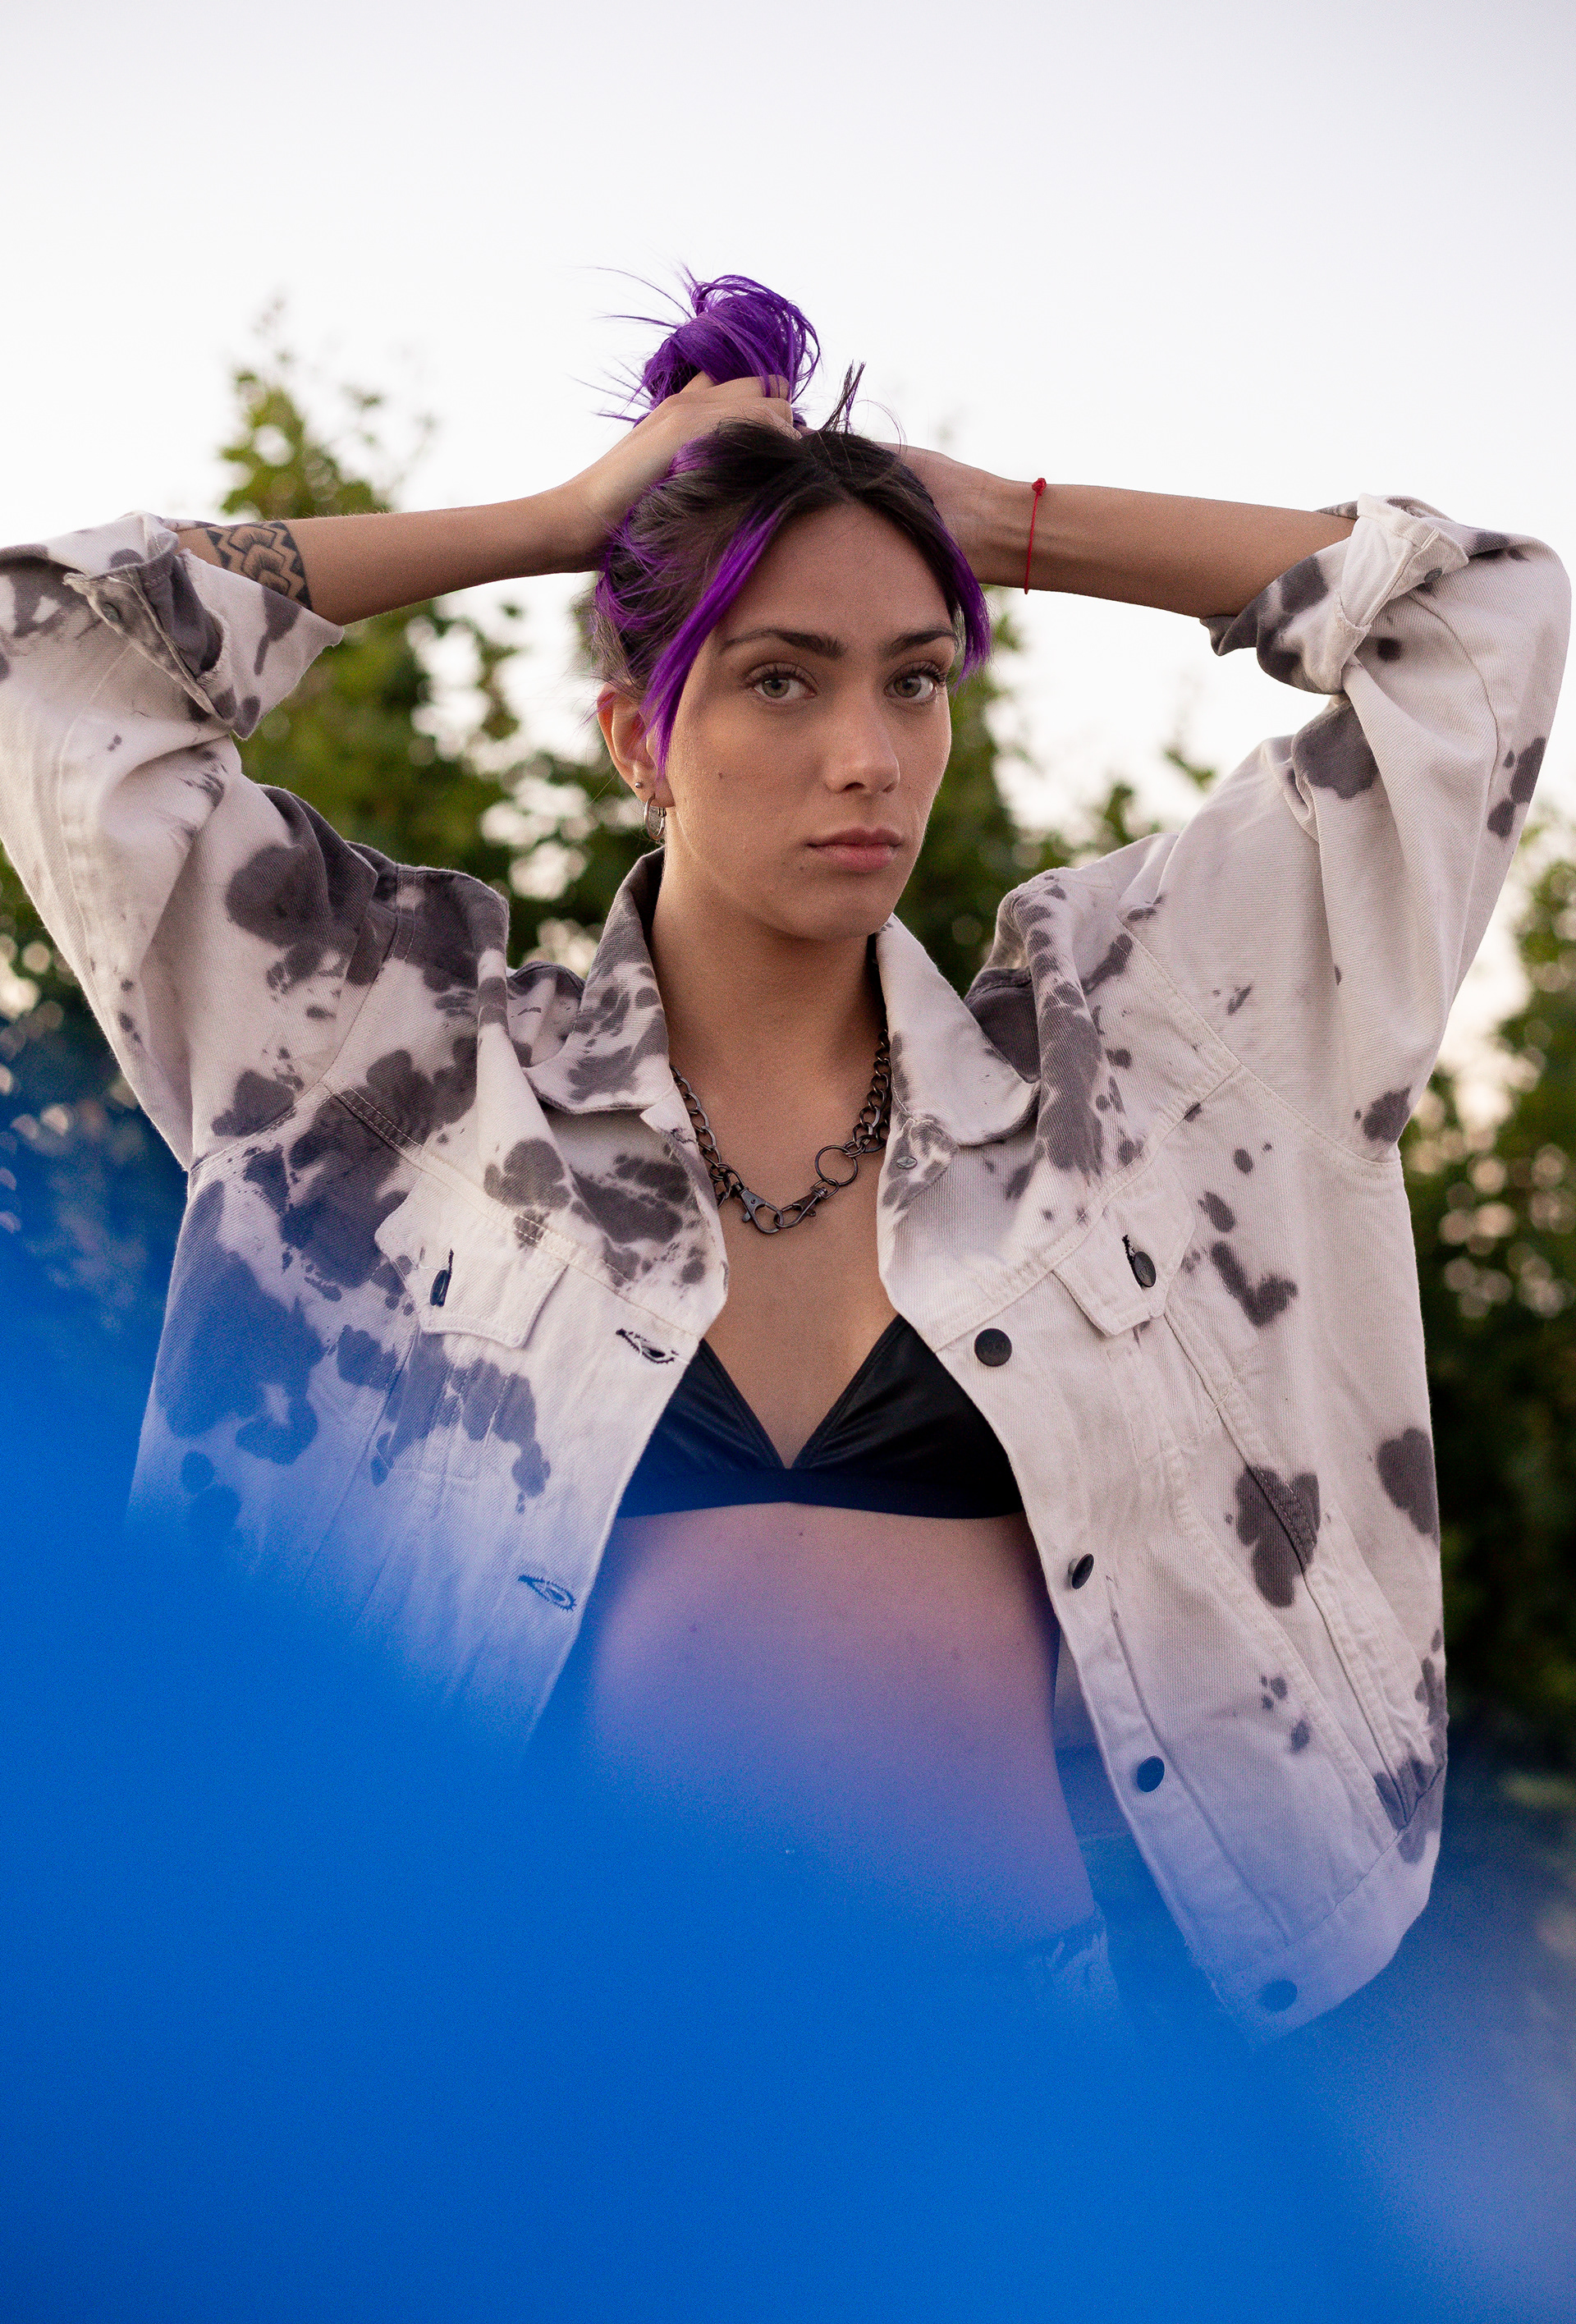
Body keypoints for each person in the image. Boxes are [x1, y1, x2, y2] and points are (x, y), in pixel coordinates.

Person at [0, 277, 1566, 2042]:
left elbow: (1478, 625)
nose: (867, 757)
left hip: (1020, 2084)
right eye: (778, 678)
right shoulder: (398, 1067)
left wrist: (989, 522)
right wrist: (561, 524)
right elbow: (52, 659)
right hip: (516, 2066)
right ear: (638, 739)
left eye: (917, 679)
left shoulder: (1126, 1071)